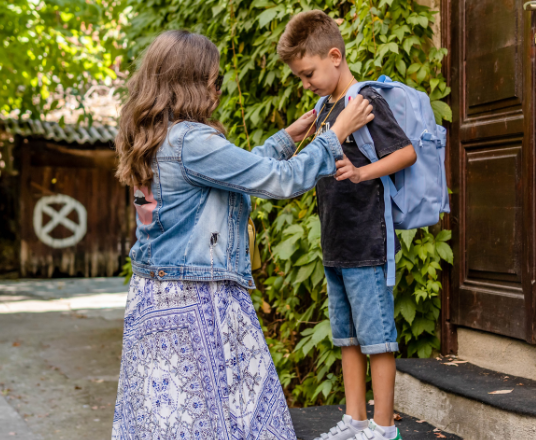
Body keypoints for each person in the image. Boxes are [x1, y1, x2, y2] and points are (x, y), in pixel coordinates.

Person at [111, 29, 374, 440]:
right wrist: (335, 134)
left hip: (154, 295)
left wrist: (288, 138)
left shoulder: (155, 136)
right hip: (197, 299)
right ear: (192, 82)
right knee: (220, 418)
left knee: (169, 420)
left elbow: (236, 173)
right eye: (213, 79)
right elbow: (281, 182)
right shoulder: (192, 142)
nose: (218, 87)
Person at [277, 10, 418, 440]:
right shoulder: (324, 109)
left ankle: (384, 427)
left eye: (308, 73)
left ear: (334, 55)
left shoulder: (365, 100)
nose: (306, 83)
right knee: (348, 338)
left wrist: (362, 173)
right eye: (300, 77)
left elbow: (406, 153)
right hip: (335, 242)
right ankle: (357, 420)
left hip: (367, 240)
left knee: (377, 339)